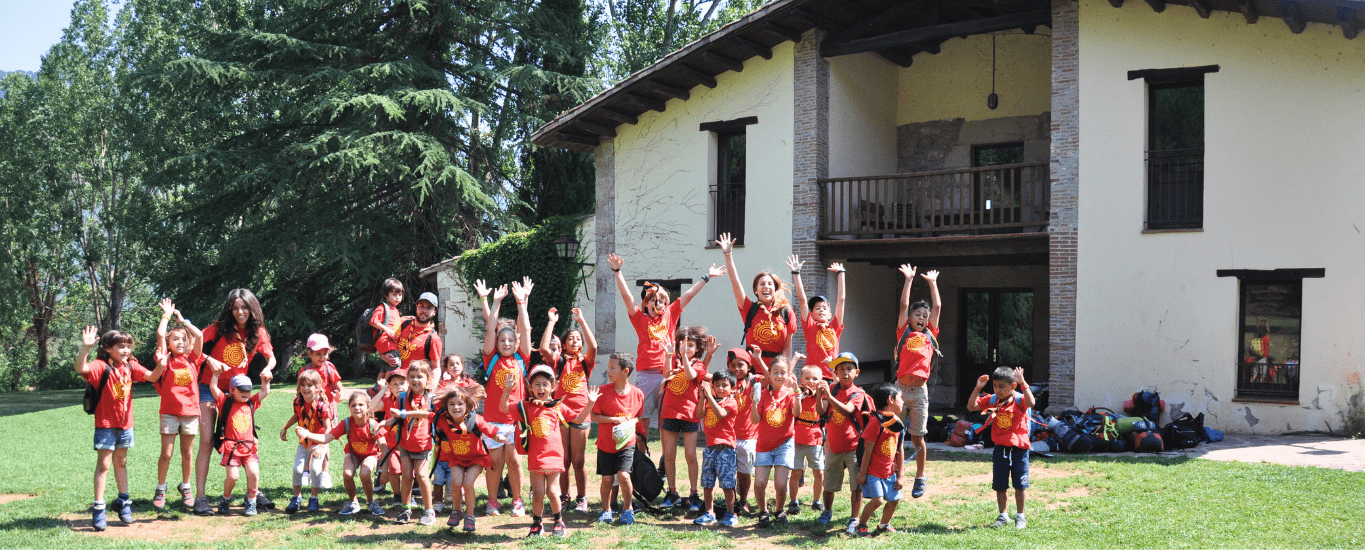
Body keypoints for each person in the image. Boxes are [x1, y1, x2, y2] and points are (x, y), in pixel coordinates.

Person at [605, 252, 724, 445]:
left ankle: (663, 461)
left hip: (667, 373)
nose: (657, 303)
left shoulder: (671, 313)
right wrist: (617, 271)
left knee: (665, 419)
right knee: (641, 419)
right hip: (645, 374)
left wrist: (707, 277)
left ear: (666, 303)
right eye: (652, 300)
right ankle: (641, 458)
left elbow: (689, 295)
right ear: (646, 303)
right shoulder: (639, 318)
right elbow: (627, 297)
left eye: (661, 300)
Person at [194, 289, 276, 515]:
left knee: (246, 437)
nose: (240, 312)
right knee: (208, 440)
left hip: (240, 392)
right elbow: (195, 346)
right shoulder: (219, 328)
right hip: (210, 387)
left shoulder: (257, 332)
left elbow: (271, 357)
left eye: (244, 307)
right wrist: (209, 361)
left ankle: (253, 491)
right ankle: (200, 498)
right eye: (235, 308)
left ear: (252, 308)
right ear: (230, 309)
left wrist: (267, 369)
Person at [501, 365, 595, 537]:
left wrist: (590, 403)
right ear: (530, 388)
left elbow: (579, 418)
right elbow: (504, 408)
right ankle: (537, 523)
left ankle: (559, 522)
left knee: (552, 491)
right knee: (537, 493)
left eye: (545, 384)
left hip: (554, 455)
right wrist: (507, 390)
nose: (541, 388)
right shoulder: (526, 407)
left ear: (553, 387)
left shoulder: (557, 406)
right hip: (536, 456)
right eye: (536, 384)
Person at [77, 326, 152, 530]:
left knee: (122, 463)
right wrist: (85, 348)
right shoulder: (101, 366)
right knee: (104, 465)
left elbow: (153, 377)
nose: (126, 350)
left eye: (128, 346)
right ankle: (99, 507)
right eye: (121, 346)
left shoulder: (131, 366)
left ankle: (123, 502)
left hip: (126, 425)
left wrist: (162, 363)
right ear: (108, 348)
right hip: (106, 425)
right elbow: (81, 369)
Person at [474, 277, 534, 517]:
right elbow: (490, 327)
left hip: (515, 421)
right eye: (502, 340)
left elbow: (526, 329)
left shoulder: (522, 358)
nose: (506, 343)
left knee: (515, 462)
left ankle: (517, 501)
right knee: (495, 464)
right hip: (492, 420)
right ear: (496, 343)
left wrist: (522, 302)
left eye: (511, 340)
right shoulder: (491, 359)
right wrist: (493, 301)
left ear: (517, 343)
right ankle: (492, 502)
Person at [145, 299, 212, 511]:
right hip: (170, 413)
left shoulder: (194, 359)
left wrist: (183, 321)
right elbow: (159, 335)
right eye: (175, 339)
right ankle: (160, 488)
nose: (180, 342)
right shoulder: (165, 359)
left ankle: (186, 487)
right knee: (166, 453)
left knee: (187, 453)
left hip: (191, 413)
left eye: (183, 339)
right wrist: (166, 316)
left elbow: (199, 335)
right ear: (169, 343)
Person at [537, 307, 598, 513]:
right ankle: (564, 497)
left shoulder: (585, 362)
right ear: (563, 345)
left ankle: (582, 498)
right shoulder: (559, 361)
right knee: (564, 460)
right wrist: (551, 322)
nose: (574, 341)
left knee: (579, 461)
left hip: (581, 413)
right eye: (570, 339)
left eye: (577, 339)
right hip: (560, 413)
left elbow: (595, 347)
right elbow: (544, 348)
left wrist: (581, 321)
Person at [296, 392, 389, 517]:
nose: (357, 407)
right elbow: (326, 438)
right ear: (349, 408)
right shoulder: (346, 423)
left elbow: (384, 447)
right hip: (352, 453)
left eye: (361, 404)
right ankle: (353, 502)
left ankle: (371, 502)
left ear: (368, 407)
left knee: (365, 474)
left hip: (370, 455)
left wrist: (384, 469)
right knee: (347, 474)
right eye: (353, 405)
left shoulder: (373, 424)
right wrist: (307, 434)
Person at [967, 366, 1036, 530]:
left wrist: (1023, 382)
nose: (997, 390)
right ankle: (1003, 515)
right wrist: (978, 387)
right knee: (1000, 485)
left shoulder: (1019, 400)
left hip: (1019, 449)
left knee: (1020, 484)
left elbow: (1031, 402)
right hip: (1000, 448)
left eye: (1002, 386)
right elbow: (971, 406)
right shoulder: (992, 400)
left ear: (1013, 386)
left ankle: (1020, 516)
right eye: (995, 386)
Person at [658, 327, 717, 511]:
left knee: (690, 455)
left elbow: (691, 375)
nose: (686, 347)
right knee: (669, 455)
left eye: (690, 345)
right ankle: (672, 492)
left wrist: (684, 357)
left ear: (698, 348)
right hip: (669, 413)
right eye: (682, 344)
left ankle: (693, 493)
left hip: (689, 415)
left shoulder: (698, 364)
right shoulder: (673, 360)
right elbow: (667, 374)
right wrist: (670, 355)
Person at [894, 264, 940, 499]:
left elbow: (938, 306)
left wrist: (932, 283)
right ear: (909, 318)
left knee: (917, 437)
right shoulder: (903, 332)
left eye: (925, 315)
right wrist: (909, 279)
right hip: (900, 390)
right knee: (896, 435)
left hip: (919, 392)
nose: (922, 318)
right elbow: (903, 304)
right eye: (917, 315)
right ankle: (896, 473)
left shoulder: (929, 334)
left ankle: (920, 476)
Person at [432, 385, 504, 531]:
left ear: (467, 405)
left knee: (468, 483)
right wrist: (404, 414)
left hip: (476, 458)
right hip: (457, 458)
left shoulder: (475, 419)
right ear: (446, 406)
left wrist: (497, 436)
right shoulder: (443, 419)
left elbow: (488, 429)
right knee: (456, 482)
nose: (456, 407)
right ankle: (457, 511)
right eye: (452, 404)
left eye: (460, 404)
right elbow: (425, 415)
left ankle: (470, 516)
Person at [717, 233, 798, 361]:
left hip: (775, 370)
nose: (766, 287)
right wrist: (728, 255)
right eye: (762, 284)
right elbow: (735, 283)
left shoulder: (786, 312)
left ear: (775, 289)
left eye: (770, 284)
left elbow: (787, 348)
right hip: (751, 369)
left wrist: (784, 371)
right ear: (756, 290)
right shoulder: (749, 308)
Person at [591, 352, 644, 525]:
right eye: (608, 366)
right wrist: (612, 420)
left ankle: (627, 509)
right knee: (607, 479)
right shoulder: (603, 391)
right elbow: (594, 416)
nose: (608, 370)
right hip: (605, 444)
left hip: (626, 444)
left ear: (625, 371)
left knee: (623, 476)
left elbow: (638, 417)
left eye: (613, 367)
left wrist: (631, 422)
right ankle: (606, 510)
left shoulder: (637, 394)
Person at [208, 372, 272, 516]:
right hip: (231, 447)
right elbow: (213, 387)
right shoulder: (225, 402)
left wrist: (265, 380)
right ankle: (226, 499)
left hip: (249, 447)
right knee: (233, 477)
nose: (245, 393)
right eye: (241, 390)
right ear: (231, 390)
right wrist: (216, 374)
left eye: (248, 390)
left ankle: (251, 502)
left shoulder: (251, 403)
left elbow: (264, 391)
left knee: (254, 473)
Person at [821, 352, 871, 532]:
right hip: (833, 446)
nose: (845, 373)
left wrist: (828, 395)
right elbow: (821, 411)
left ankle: (854, 518)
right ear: (834, 372)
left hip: (854, 447)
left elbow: (847, 411)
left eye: (849, 369)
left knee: (856, 485)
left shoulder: (857, 393)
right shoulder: (832, 389)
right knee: (829, 483)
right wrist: (822, 396)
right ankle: (827, 512)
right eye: (840, 369)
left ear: (856, 372)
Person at [750, 354, 802, 528]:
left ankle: (779, 510)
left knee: (780, 483)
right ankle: (763, 511)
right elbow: (756, 420)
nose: (779, 376)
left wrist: (796, 394)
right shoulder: (763, 393)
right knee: (759, 483)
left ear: (788, 375)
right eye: (775, 372)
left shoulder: (790, 393)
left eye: (783, 372)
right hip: (764, 445)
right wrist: (754, 402)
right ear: (769, 375)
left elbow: (796, 413)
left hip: (784, 444)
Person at [386, 360, 438, 525]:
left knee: (422, 476)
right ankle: (406, 508)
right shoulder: (402, 397)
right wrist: (383, 423)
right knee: (407, 476)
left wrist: (403, 414)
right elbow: (396, 416)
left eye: (420, 377)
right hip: (405, 444)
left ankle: (429, 511)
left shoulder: (431, 398)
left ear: (428, 379)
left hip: (423, 444)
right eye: (412, 377)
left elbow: (431, 417)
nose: (416, 380)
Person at [279, 370, 334, 514]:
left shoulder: (323, 406)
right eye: (302, 385)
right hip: (303, 442)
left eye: (310, 385)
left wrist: (322, 447)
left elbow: (329, 428)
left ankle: (314, 498)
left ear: (318, 388)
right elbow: (297, 415)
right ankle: (296, 498)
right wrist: (285, 427)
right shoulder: (298, 401)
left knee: (316, 469)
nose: (306, 388)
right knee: (297, 469)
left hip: (318, 442)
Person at [855, 383, 905, 536]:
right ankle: (861, 524)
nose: (903, 401)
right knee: (877, 500)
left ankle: (884, 524)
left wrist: (901, 475)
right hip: (874, 472)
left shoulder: (897, 423)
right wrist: (863, 473)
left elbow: (899, 450)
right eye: (900, 398)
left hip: (889, 472)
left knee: (894, 499)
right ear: (890, 399)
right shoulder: (875, 421)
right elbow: (867, 450)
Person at [786, 256, 847, 381]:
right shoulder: (810, 326)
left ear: (830, 314)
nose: (821, 310)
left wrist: (841, 274)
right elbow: (802, 301)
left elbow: (841, 300)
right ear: (812, 315)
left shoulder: (835, 327)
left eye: (824, 307)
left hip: (832, 376)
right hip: (813, 377)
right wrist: (796, 273)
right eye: (817, 308)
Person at [692, 370, 739, 527]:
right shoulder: (708, 401)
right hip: (710, 447)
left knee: (727, 483)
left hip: (726, 448)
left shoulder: (730, 402)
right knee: (707, 482)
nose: (719, 388)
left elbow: (720, 414)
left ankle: (731, 513)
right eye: (716, 385)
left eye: (724, 385)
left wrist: (709, 396)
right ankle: (709, 513)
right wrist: (702, 397)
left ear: (732, 388)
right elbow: (699, 414)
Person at [299, 334, 342, 489]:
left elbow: (338, 386)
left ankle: (324, 473)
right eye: (318, 354)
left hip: (325, 411)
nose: (322, 357)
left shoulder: (330, 368)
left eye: (325, 353)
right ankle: (306, 471)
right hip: (308, 412)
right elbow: (300, 391)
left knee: (325, 439)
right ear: (309, 353)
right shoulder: (305, 370)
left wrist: (339, 395)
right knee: (307, 439)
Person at [786, 364, 828, 518]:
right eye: (807, 378)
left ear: (821, 380)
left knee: (819, 472)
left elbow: (821, 410)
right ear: (801, 380)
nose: (811, 381)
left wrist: (818, 393)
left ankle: (817, 500)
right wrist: (798, 390)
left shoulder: (823, 395)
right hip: (797, 438)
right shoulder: (798, 393)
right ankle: (793, 501)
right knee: (796, 472)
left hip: (815, 438)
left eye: (815, 378)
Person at [725, 347, 763, 514]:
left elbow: (771, 378)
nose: (736, 369)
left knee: (744, 473)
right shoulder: (725, 383)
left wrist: (759, 359)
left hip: (748, 436)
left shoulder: (755, 381)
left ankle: (743, 500)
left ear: (749, 366)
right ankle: (731, 502)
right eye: (732, 365)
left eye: (741, 364)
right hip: (728, 435)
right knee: (728, 472)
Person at [397, 292, 443, 370]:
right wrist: (383, 356)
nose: (424, 310)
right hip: (394, 378)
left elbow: (435, 367)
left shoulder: (433, 338)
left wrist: (433, 382)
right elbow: (384, 340)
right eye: (421, 306)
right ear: (416, 307)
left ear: (434, 311)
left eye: (429, 308)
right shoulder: (402, 323)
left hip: (414, 380)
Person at [369, 278, 406, 372]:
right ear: (386, 295)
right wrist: (386, 329)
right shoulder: (382, 307)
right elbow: (374, 321)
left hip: (391, 344)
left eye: (400, 295)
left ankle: (379, 385)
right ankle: (390, 385)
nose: (398, 297)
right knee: (395, 366)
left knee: (385, 368)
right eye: (394, 295)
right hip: (388, 343)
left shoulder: (395, 310)